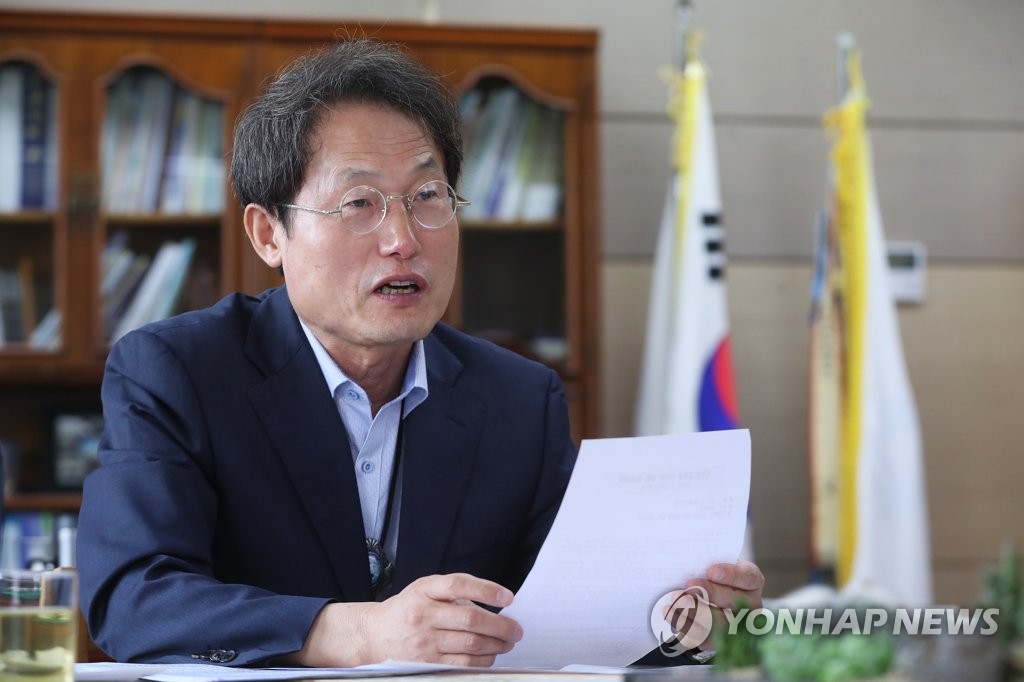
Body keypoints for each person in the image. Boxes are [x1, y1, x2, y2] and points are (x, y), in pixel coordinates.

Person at [77, 38, 764, 668]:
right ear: (268, 234)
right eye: (359, 203)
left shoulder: (518, 400)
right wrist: (359, 632)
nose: (402, 239)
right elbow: (134, 597)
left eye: (428, 196)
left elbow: (568, 617)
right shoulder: (178, 372)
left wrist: (678, 623)